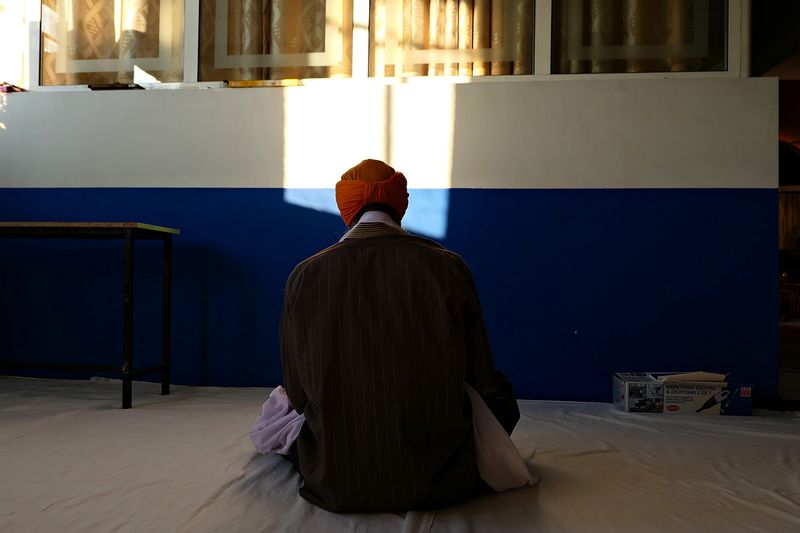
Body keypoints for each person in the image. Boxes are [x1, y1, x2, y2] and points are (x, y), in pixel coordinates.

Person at [275, 159, 524, 513]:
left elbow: (298, 392)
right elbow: (478, 375)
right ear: (400, 203)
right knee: (500, 389)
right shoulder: (449, 267)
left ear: (345, 205)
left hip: (334, 479)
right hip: (440, 480)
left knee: (282, 406)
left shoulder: (305, 274)